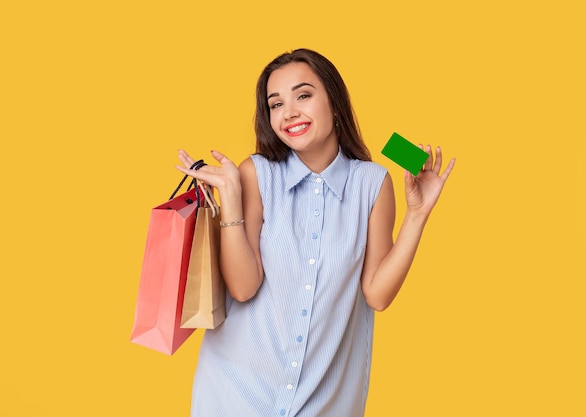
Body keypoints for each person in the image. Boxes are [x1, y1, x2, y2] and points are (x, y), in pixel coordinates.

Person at [176, 48, 455, 417]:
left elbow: (378, 295)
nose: (289, 112)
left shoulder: (372, 183)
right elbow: (243, 288)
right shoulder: (256, 174)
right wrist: (230, 198)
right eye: (276, 104)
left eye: (303, 95)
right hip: (236, 395)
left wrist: (417, 215)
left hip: (325, 404)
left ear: (335, 103)